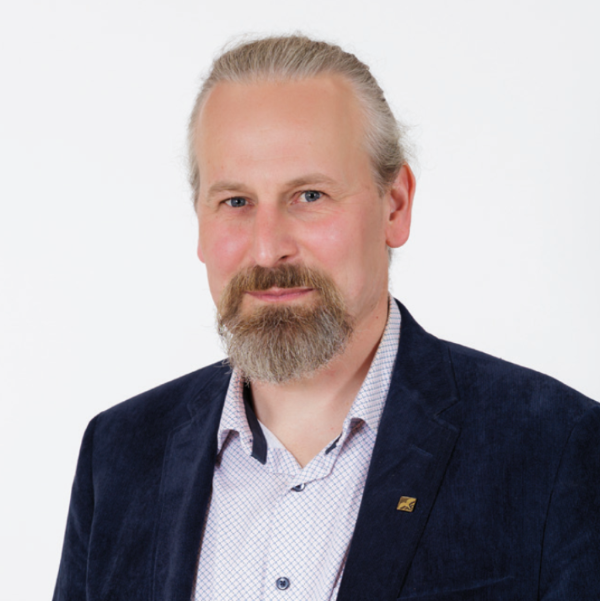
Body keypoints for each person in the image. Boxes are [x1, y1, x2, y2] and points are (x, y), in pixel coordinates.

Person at [53, 35, 600, 601]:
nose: (268, 249)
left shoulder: (555, 450)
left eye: (310, 196)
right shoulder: (119, 456)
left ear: (395, 206)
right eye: (236, 202)